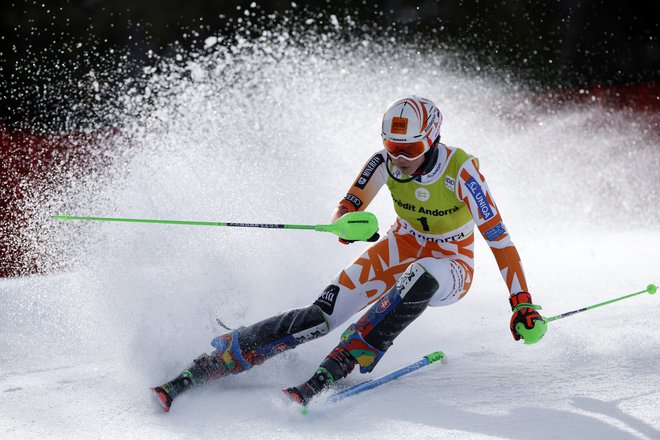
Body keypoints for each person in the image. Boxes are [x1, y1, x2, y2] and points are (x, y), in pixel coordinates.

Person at [151, 95, 546, 411]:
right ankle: (214, 362)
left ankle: (338, 364)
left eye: (410, 148)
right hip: (400, 245)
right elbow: (349, 205)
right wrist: (347, 223)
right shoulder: (383, 163)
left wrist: (521, 303)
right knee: (319, 316)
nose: (401, 159)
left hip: (451, 262)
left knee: (423, 274)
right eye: (393, 147)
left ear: (433, 139)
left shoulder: (461, 170)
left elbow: (500, 240)